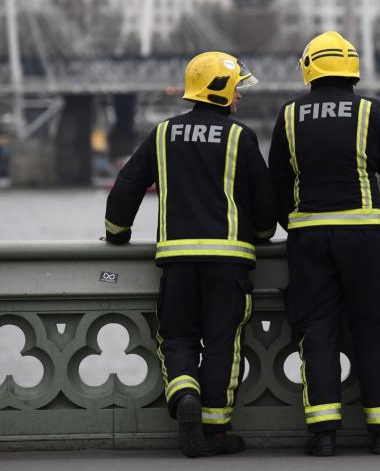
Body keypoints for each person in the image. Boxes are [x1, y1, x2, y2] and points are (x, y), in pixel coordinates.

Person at [103, 51, 276, 458]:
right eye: (237, 88)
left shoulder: (162, 134)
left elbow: (127, 186)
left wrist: (117, 233)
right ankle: (214, 431)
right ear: (220, 90)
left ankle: (184, 396)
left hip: (177, 259)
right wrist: (264, 233)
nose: (240, 97)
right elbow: (264, 201)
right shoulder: (240, 137)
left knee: (177, 335)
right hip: (229, 259)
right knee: (221, 340)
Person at [268, 31, 380, 456]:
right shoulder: (369, 111)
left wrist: (297, 224)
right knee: (374, 327)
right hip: (362, 235)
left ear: (309, 67)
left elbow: (276, 186)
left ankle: (322, 433)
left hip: (308, 238)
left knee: (315, 330)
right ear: (352, 68)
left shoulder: (288, 116)